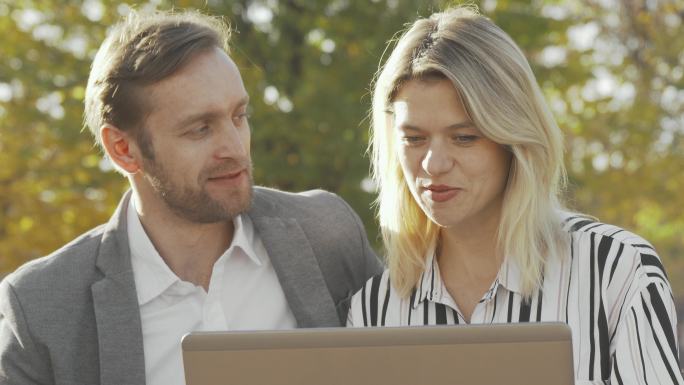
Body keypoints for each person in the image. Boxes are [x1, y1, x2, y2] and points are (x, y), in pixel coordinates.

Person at [0, 10, 383, 385]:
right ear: (122, 149)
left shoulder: (328, 236)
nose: (235, 148)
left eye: (239, 116)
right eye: (200, 129)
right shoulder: (40, 307)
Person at [347, 6, 682, 384]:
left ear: (514, 140)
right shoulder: (374, 310)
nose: (434, 164)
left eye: (464, 137)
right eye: (414, 138)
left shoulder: (616, 271)